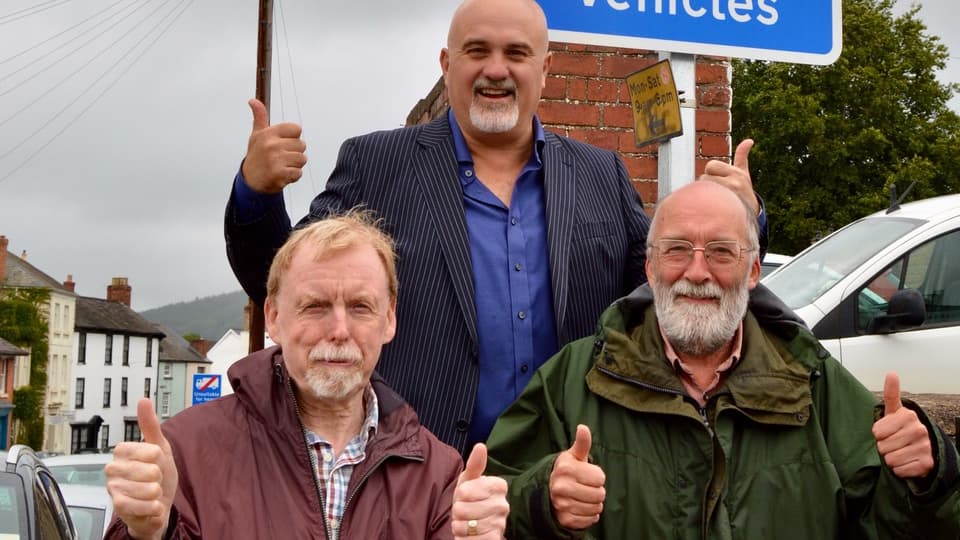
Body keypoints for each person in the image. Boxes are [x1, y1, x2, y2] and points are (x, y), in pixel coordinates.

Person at [225, 0, 767, 454]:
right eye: (477, 51)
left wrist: (744, 218)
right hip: (417, 476)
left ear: (544, 68)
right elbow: (284, 287)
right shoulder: (377, 164)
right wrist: (257, 191)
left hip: (569, 477)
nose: (496, 69)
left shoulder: (601, 173)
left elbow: (666, 288)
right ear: (447, 62)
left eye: (516, 54)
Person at [483, 180, 960, 539]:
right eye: (676, 250)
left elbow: (899, 528)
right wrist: (543, 498)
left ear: (753, 270)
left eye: (720, 252)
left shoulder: (812, 382)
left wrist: (927, 475)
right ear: (650, 268)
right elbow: (487, 509)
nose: (697, 272)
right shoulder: (573, 379)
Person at [104, 212, 506, 539]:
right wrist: (146, 535)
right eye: (315, 306)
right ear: (274, 318)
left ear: (390, 320)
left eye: (361, 307)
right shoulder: (186, 453)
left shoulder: (438, 474)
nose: (340, 330)